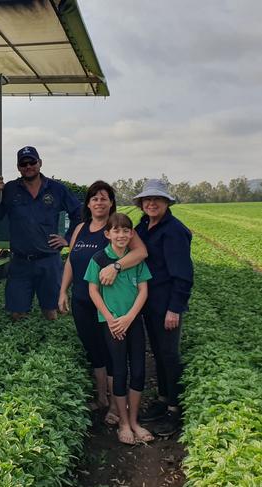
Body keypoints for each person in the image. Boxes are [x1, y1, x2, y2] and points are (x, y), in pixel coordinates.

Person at [58, 181, 148, 424]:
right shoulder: (80, 229)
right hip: (82, 301)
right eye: (94, 198)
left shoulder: (117, 229)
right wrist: (63, 291)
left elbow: (141, 253)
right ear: (88, 203)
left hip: (107, 304)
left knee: (112, 354)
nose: (99, 202)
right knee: (93, 351)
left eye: (104, 198)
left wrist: (116, 266)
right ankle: (102, 398)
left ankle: (116, 409)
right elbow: (70, 262)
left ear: (111, 203)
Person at [85, 213, 154, 445]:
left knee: (138, 370)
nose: (122, 234)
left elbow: (143, 290)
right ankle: (123, 422)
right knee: (119, 371)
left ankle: (135, 421)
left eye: (126, 230)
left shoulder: (135, 260)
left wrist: (129, 317)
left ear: (132, 234)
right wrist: (111, 319)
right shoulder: (98, 259)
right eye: (116, 230)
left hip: (132, 322)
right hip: (112, 324)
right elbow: (93, 291)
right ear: (107, 234)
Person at [0, 146, 82, 321]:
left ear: (40, 163)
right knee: (16, 314)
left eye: (32, 162)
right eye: (23, 163)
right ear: (18, 167)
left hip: (48, 261)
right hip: (20, 262)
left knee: (50, 312)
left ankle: (47, 343)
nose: (28, 166)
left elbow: (79, 214)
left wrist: (68, 239)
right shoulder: (10, 189)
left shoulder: (57, 189)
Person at [133, 179, 193, 437]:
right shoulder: (144, 227)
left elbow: (183, 274)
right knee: (158, 352)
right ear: (142, 204)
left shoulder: (174, 230)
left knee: (169, 355)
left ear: (167, 202)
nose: (152, 203)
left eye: (157, 199)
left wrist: (175, 308)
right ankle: (162, 398)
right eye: (147, 200)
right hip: (150, 302)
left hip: (166, 303)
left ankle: (174, 411)